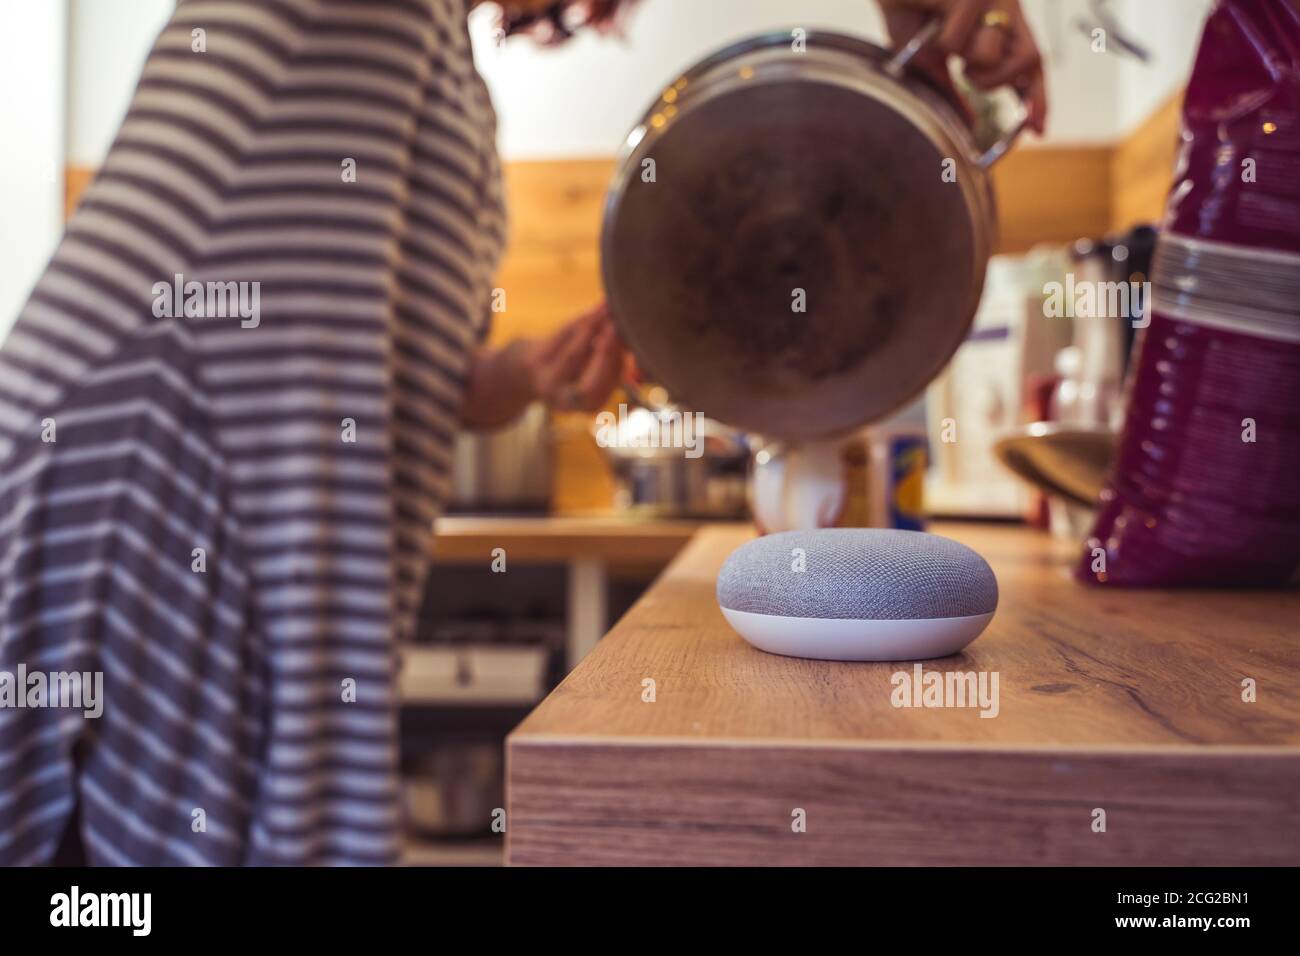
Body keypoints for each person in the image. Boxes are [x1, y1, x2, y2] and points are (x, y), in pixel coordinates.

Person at [0, 0, 1044, 865]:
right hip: (137, 475)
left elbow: (402, 373)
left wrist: (518, 377)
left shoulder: (443, 71)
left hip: (274, 500)